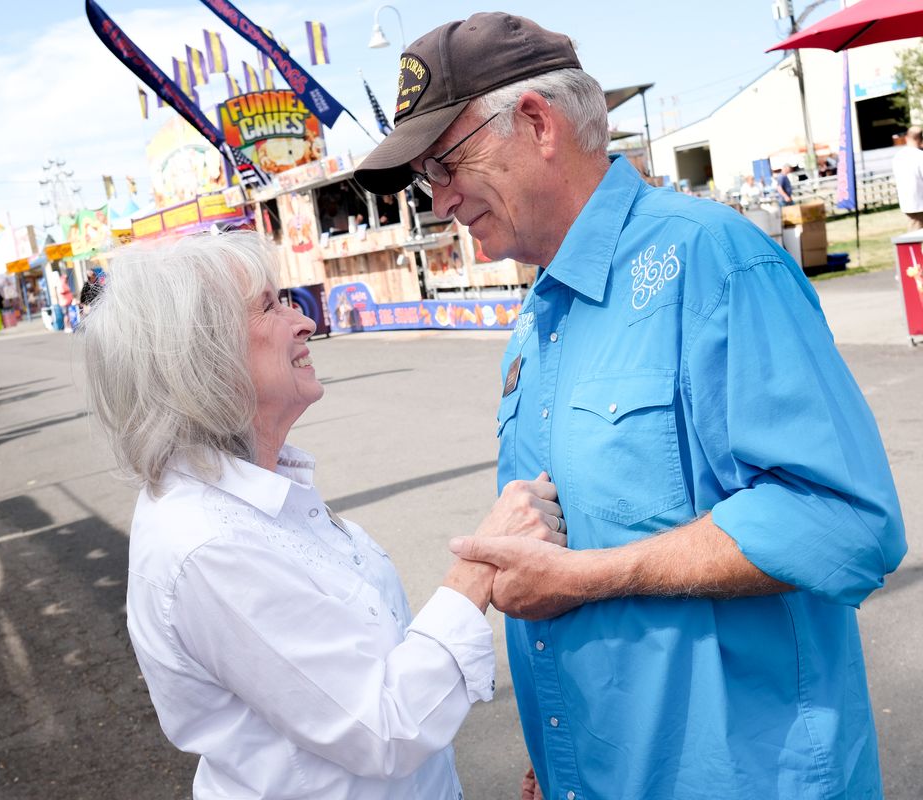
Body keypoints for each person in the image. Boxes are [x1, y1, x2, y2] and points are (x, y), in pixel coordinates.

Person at [353, 13, 906, 800]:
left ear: (538, 123)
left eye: (444, 164)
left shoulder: (711, 260)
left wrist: (587, 578)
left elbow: (846, 523)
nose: (438, 200)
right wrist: (560, 759)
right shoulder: (537, 317)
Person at [82, 232, 565, 798]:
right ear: (201, 359)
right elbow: (384, 726)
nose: (304, 322)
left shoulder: (251, 493)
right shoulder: (209, 545)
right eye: (269, 305)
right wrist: (480, 565)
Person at [892, 125, 923, 230]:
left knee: (914, 236)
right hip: (920, 202)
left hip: (908, 202)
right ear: (920, 139)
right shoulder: (920, 156)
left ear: (906, 137)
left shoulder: (898, 157)